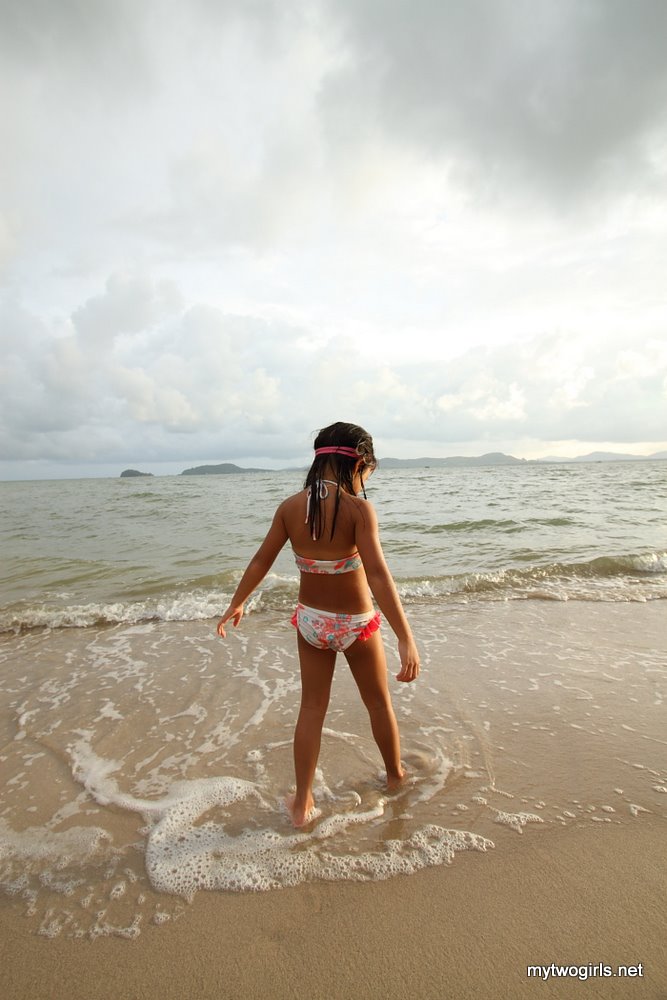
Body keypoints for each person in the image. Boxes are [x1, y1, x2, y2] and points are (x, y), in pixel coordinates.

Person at [217, 421, 420, 827]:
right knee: (378, 703)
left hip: (311, 622)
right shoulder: (359, 509)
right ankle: (396, 776)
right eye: (367, 472)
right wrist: (405, 637)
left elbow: (261, 560)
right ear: (360, 462)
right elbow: (378, 575)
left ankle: (302, 803)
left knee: (311, 709)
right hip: (357, 624)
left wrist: (237, 602)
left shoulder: (291, 508)